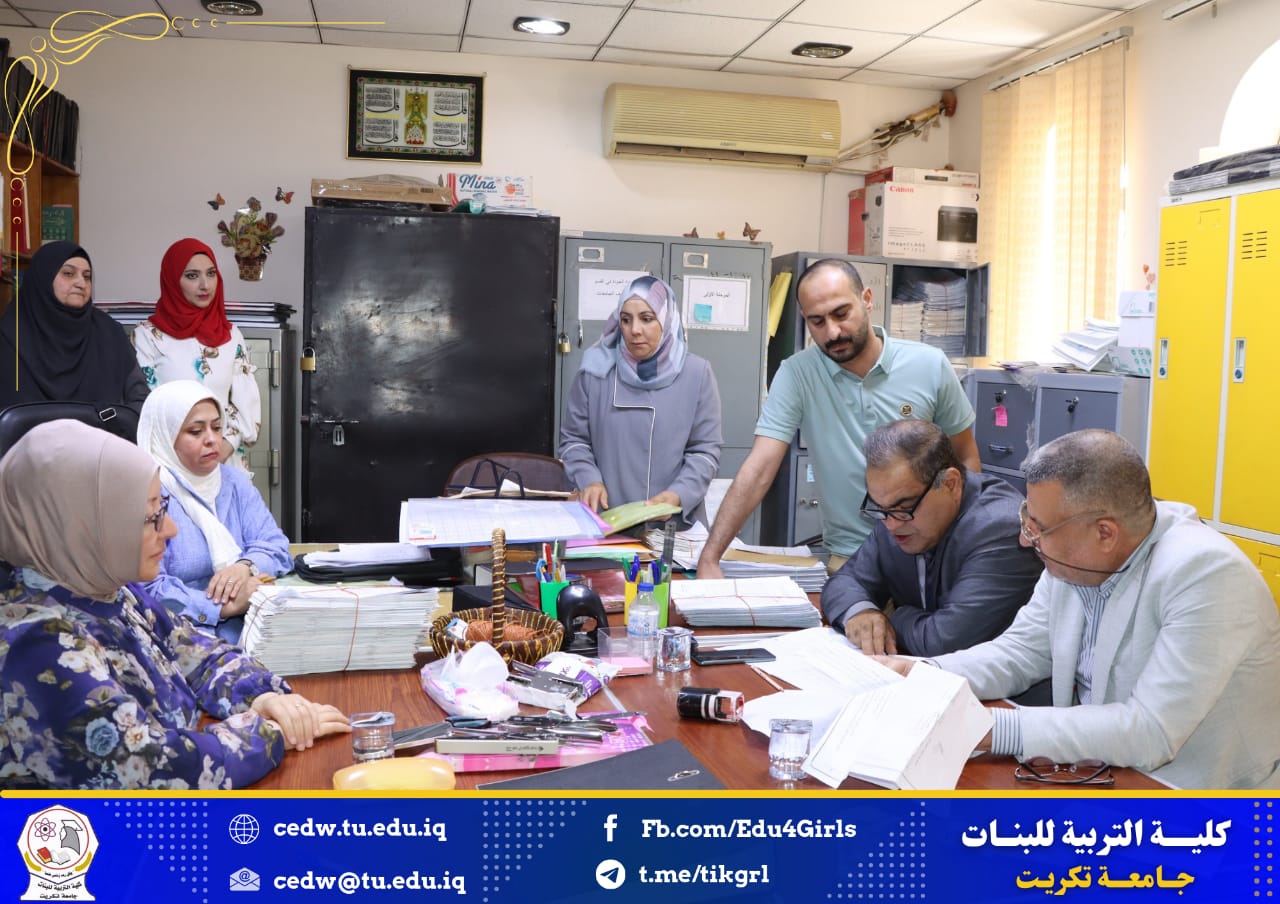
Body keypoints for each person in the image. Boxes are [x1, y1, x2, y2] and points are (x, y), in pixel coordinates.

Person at [880, 430, 1280, 789]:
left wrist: (986, 728)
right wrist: (925, 673)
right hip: (1108, 769)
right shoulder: (1075, 558)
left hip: (1199, 796)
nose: (1025, 540)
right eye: (1027, 518)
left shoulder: (1206, 573)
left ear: (1105, 533)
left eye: (1039, 527)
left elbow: (1151, 730)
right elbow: (1021, 652)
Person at [0, 420, 348, 790]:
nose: (170, 529)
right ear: (81, 530)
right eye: (150, 518)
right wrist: (266, 731)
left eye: (162, 508)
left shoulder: (107, 591)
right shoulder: (36, 643)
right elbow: (149, 769)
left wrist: (260, 695)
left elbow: (197, 652)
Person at [697, 259, 979, 577]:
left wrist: (965, 543)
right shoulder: (798, 374)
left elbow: (966, 457)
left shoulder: (929, 365)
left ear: (867, 299)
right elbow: (760, 467)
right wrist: (710, 557)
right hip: (849, 560)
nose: (832, 332)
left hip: (931, 556)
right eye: (817, 321)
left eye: (841, 314)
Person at [822, 419, 1042, 657]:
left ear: (950, 484)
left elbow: (945, 641)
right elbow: (845, 581)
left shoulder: (1000, 529)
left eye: (904, 507)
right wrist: (861, 612)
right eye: (880, 508)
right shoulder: (893, 512)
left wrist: (891, 617)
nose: (891, 524)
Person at [560, 275, 722, 528]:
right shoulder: (594, 371)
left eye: (646, 319)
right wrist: (589, 479)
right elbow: (574, 441)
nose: (634, 330)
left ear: (667, 319)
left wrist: (678, 494)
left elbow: (705, 451)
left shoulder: (696, 373)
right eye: (626, 320)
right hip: (607, 522)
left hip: (673, 527)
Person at [136, 380, 292, 643]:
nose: (211, 439)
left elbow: (275, 545)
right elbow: (145, 587)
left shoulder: (234, 482)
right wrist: (222, 606)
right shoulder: (147, 492)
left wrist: (245, 567)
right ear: (164, 436)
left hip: (250, 633)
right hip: (179, 639)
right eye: (196, 431)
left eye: (217, 428)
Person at [133, 238, 260, 471]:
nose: (205, 285)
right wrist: (187, 457)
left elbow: (245, 408)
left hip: (222, 461)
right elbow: (147, 408)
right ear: (173, 281)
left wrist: (220, 451)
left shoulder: (231, 336)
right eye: (192, 276)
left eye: (211, 274)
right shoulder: (147, 336)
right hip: (170, 463)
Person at [0, 241, 148, 410]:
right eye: (68, 273)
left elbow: (140, 401)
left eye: (87, 276)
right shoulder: (8, 337)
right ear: (43, 278)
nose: (81, 283)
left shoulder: (110, 333)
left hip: (103, 428)